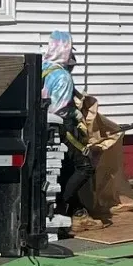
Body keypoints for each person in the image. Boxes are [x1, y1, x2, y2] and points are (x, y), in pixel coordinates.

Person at [42, 31, 98, 220]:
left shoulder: (42, 68)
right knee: (85, 166)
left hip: (41, 126)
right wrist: (76, 114)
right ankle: (61, 207)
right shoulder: (63, 77)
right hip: (61, 126)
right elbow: (60, 110)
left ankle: (73, 206)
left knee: (63, 167)